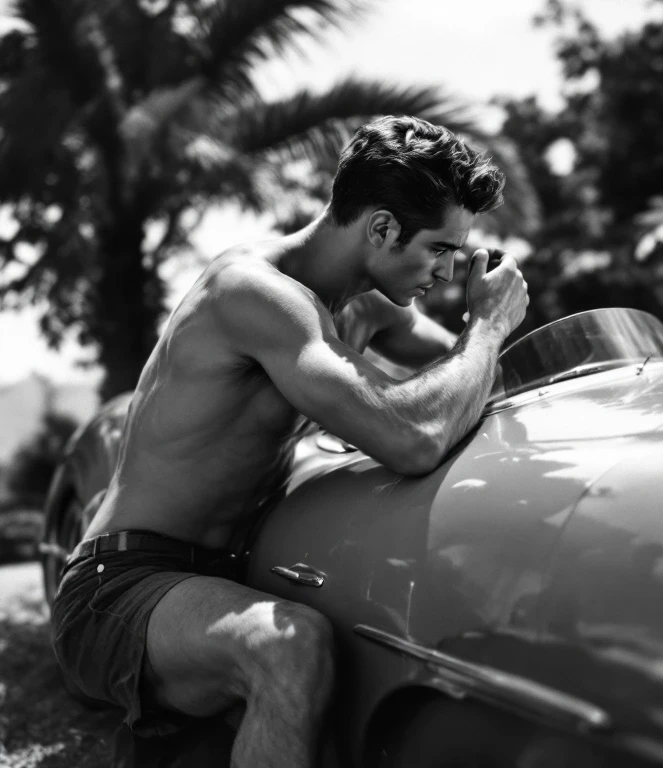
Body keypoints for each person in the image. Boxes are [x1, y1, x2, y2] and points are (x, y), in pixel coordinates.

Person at [50, 115, 529, 767]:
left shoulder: (369, 305)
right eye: (440, 250)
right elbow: (413, 436)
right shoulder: (252, 293)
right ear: (382, 228)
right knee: (289, 646)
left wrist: (492, 343)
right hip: (121, 583)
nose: (448, 274)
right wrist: (488, 324)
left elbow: (473, 384)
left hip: (216, 575)